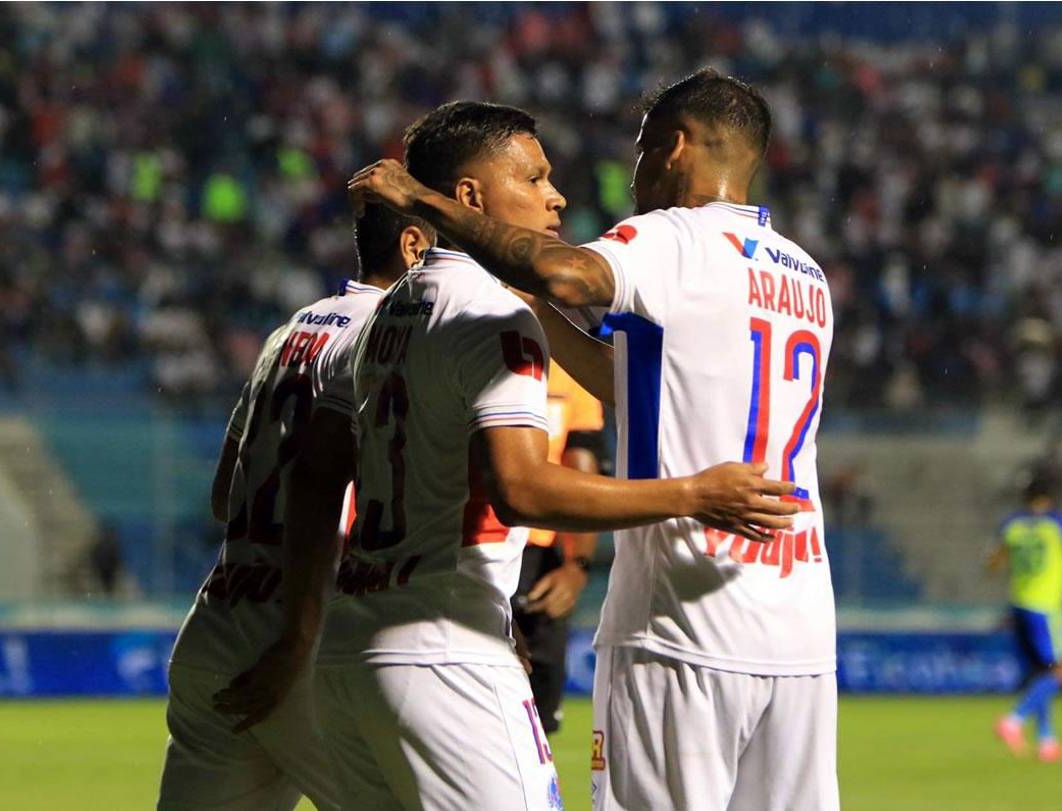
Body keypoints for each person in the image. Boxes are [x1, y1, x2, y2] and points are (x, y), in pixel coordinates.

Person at [350, 68, 839, 810]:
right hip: (800, 628)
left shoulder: (670, 238)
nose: (628, 175)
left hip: (680, 629)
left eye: (641, 153)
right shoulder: (805, 275)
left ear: (672, 149)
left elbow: (563, 272)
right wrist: (538, 317)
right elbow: (636, 385)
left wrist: (422, 199)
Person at [156, 205, 435, 811]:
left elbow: (224, 493)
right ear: (415, 246)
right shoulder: (394, 339)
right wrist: (299, 631)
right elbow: (332, 493)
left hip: (218, 623)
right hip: (305, 644)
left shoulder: (290, 331)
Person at [515, 360, 607, 735]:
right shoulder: (469, 341)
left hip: (540, 557)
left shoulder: (570, 371)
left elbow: (583, 464)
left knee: (537, 727)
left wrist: (576, 565)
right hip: (470, 548)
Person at [989, 472, 1062, 763]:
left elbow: (993, 563)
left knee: (1040, 672)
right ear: (1051, 497)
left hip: (1018, 605)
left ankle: (1047, 741)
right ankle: (1013, 720)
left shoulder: (1012, 525)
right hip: (1045, 607)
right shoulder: (1059, 524)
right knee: (1061, 672)